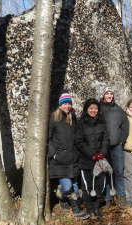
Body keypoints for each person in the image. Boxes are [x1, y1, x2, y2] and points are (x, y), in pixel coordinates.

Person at [48, 89, 89, 219]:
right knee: (67, 186)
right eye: (64, 104)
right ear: (60, 105)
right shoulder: (54, 118)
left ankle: (76, 209)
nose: (67, 106)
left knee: (75, 185)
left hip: (73, 158)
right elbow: (48, 139)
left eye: (69, 104)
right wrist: (54, 154)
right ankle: (62, 198)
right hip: (60, 159)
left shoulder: (73, 118)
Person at [76, 98, 109, 219]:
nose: (93, 110)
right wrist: (91, 155)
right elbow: (79, 141)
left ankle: (96, 206)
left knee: (100, 184)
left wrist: (102, 153)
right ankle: (89, 207)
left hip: (100, 159)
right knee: (87, 185)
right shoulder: (81, 123)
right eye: (91, 108)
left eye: (95, 108)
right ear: (86, 109)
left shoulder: (102, 122)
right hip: (86, 160)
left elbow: (106, 139)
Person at [100, 86, 130, 211]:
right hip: (104, 146)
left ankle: (121, 197)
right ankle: (107, 198)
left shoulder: (119, 110)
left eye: (111, 93)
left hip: (117, 146)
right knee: (106, 172)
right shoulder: (99, 109)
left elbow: (125, 125)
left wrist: (121, 140)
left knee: (119, 171)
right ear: (104, 95)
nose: (109, 96)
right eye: (107, 93)